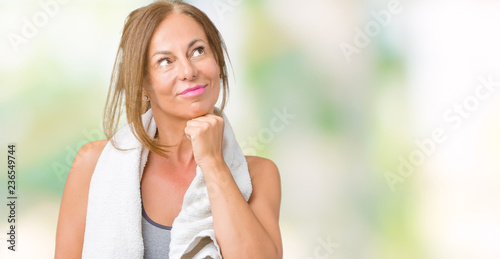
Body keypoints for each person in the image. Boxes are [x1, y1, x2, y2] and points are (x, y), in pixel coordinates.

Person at [54, 1, 282, 258]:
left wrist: (214, 164)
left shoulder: (259, 175)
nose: (188, 71)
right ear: (142, 86)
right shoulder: (93, 165)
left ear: (217, 61)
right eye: (165, 61)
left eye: (197, 51)